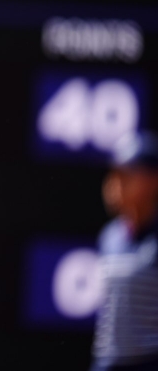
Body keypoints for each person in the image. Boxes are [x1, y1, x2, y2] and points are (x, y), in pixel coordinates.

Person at [91, 131, 158, 371]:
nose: (115, 183)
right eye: (115, 174)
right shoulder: (110, 237)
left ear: (153, 181)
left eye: (127, 175)